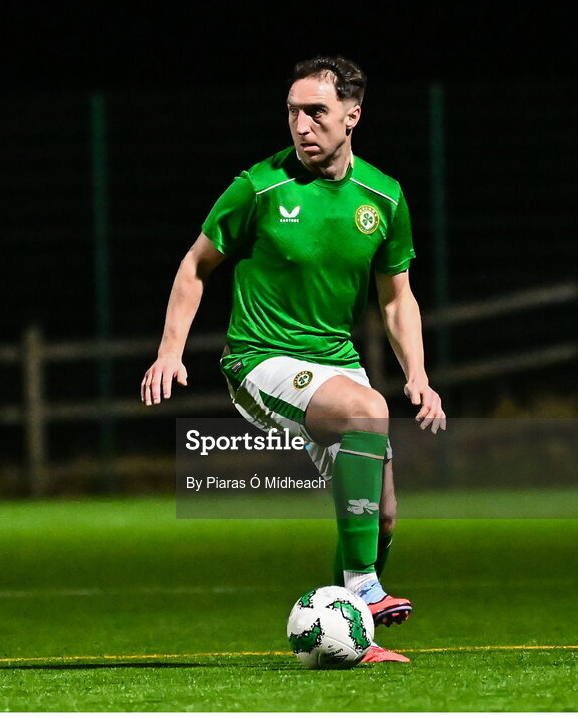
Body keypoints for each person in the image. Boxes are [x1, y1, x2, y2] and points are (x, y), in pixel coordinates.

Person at [141, 56, 445, 664]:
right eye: (292, 112)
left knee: (381, 519)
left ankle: (350, 638)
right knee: (366, 412)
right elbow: (195, 265)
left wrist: (419, 374)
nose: (301, 126)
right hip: (260, 361)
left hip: (335, 361)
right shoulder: (259, 187)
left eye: (316, 112)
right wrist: (169, 351)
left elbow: (397, 296)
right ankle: (362, 587)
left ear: (352, 116)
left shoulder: (383, 198)